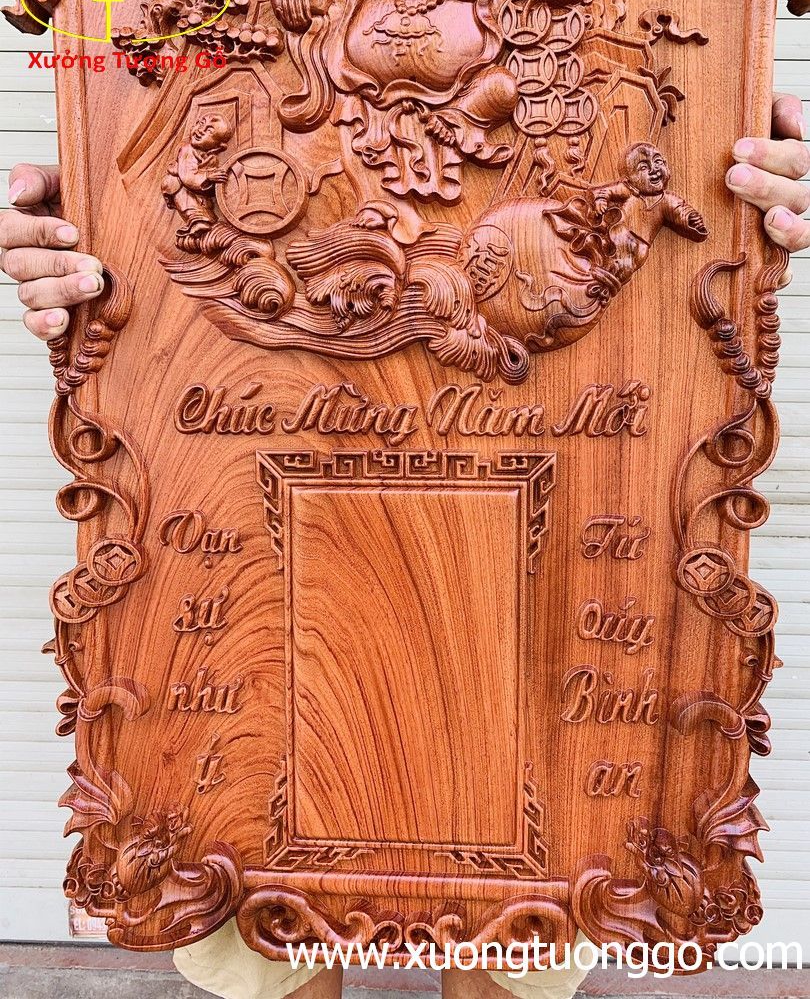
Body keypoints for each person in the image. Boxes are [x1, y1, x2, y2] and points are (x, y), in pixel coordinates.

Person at [0, 91, 808, 999]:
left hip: (553, 499)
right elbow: (142, 103)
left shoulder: (596, 95)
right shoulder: (178, 16)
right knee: (266, 915)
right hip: (245, 455)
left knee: (515, 932)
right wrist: (102, 204)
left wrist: (739, 192)